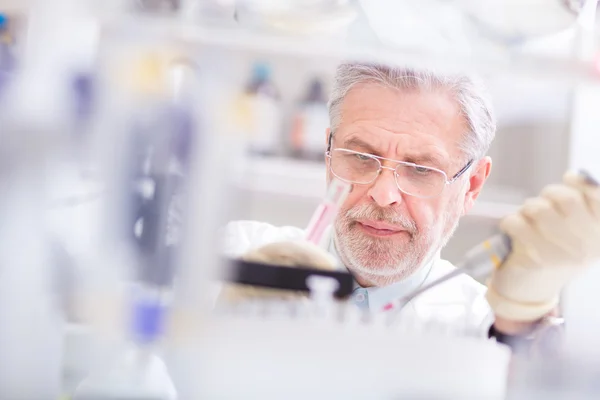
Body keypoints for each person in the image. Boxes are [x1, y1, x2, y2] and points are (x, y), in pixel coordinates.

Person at [222, 63, 600, 350]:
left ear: (472, 185)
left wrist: (526, 317)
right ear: (328, 153)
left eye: (420, 169)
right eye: (360, 156)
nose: (383, 193)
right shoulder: (237, 255)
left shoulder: (486, 327)